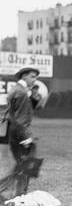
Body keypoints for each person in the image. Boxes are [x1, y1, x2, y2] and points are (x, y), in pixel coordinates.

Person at [0, 67, 42, 198]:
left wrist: (33, 99)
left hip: (14, 132)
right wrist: (26, 138)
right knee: (26, 165)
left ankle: (20, 193)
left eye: (36, 77)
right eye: (32, 77)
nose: (35, 80)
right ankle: (19, 194)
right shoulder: (22, 93)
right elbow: (21, 118)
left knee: (23, 165)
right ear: (24, 76)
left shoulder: (17, 90)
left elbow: (14, 112)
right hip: (20, 133)